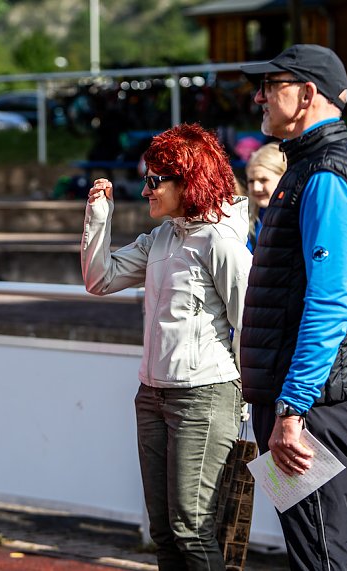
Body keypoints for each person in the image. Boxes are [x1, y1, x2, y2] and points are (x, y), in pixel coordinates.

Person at [239, 45, 347, 569]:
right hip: (306, 405)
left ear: (305, 94)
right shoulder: (311, 166)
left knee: (320, 558)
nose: (258, 96)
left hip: (312, 412)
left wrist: (292, 409)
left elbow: (329, 303)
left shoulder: (325, 173)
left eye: (270, 84)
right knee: (312, 554)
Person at [80, 123, 252, 570]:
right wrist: (99, 218)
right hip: (152, 395)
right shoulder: (163, 237)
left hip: (205, 394)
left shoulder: (221, 241)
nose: (146, 190)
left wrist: (250, 400)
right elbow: (99, 279)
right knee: (165, 532)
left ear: (188, 181)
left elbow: (249, 323)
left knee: (192, 529)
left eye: (156, 180)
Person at [244, 141, 286, 251]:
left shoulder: (294, 218)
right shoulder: (246, 219)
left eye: (263, 180)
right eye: (251, 181)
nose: (256, 188)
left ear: (283, 178)